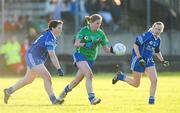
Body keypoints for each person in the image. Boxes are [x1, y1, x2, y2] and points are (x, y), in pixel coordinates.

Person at [57, 14, 115, 105]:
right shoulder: (84, 31)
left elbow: (106, 49)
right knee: (89, 75)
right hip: (80, 55)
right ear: (91, 22)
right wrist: (85, 44)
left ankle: (62, 94)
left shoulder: (100, 33)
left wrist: (113, 50)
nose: (98, 25)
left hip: (90, 59)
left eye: (100, 23)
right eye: (97, 23)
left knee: (76, 81)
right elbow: (76, 43)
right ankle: (92, 98)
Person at [3, 20, 65, 104]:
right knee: (47, 76)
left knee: (28, 79)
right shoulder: (50, 37)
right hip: (33, 56)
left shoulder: (51, 36)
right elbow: (52, 55)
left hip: (34, 57)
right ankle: (53, 100)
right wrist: (59, 68)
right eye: (59, 28)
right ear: (52, 28)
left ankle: (8, 91)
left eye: (61, 28)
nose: (61, 30)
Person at [112, 21, 169, 104]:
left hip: (149, 61)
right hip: (138, 60)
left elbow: (157, 51)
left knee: (154, 80)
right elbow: (135, 45)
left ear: (161, 31)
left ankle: (151, 100)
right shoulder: (147, 35)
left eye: (159, 29)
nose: (157, 30)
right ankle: (120, 76)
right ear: (153, 28)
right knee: (136, 84)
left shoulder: (158, 40)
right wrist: (139, 58)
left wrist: (163, 60)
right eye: (155, 28)